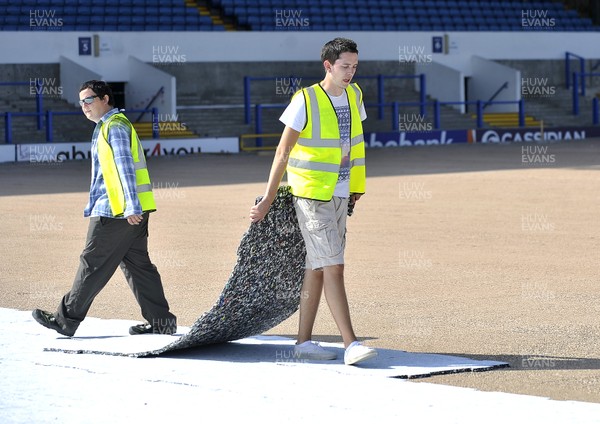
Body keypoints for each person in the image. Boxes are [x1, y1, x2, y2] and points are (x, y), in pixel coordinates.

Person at [249, 38, 377, 366]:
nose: (350, 72)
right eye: (345, 66)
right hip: (311, 194)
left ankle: (303, 343)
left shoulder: (355, 94)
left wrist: (356, 186)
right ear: (328, 66)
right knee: (333, 265)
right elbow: (282, 152)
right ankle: (351, 344)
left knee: (317, 267)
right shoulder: (304, 100)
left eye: (354, 66)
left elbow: (353, 144)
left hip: (341, 192)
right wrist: (268, 196)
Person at [32, 80, 177, 337]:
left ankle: (65, 320)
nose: (84, 106)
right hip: (129, 211)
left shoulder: (115, 126)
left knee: (92, 263)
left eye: (89, 100)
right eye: (81, 102)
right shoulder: (108, 126)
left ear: (105, 99)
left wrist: (130, 206)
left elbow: (125, 168)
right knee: (138, 266)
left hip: (118, 212)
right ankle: (162, 322)